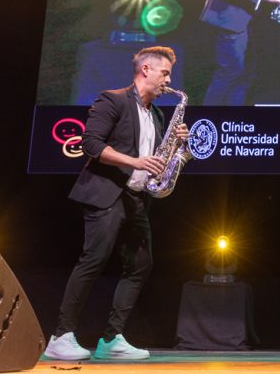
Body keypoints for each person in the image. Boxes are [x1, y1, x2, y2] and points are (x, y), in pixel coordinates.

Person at [43, 46, 189, 361]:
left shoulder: (158, 114)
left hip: (137, 199)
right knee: (93, 260)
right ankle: (61, 336)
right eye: (165, 73)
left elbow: (157, 159)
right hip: (107, 192)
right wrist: (135, 161)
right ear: (146, 70)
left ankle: (112, 339)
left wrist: (178, 145)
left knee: (140, 264)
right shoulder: (113, 99)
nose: (168, 80)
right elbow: (91, 144)